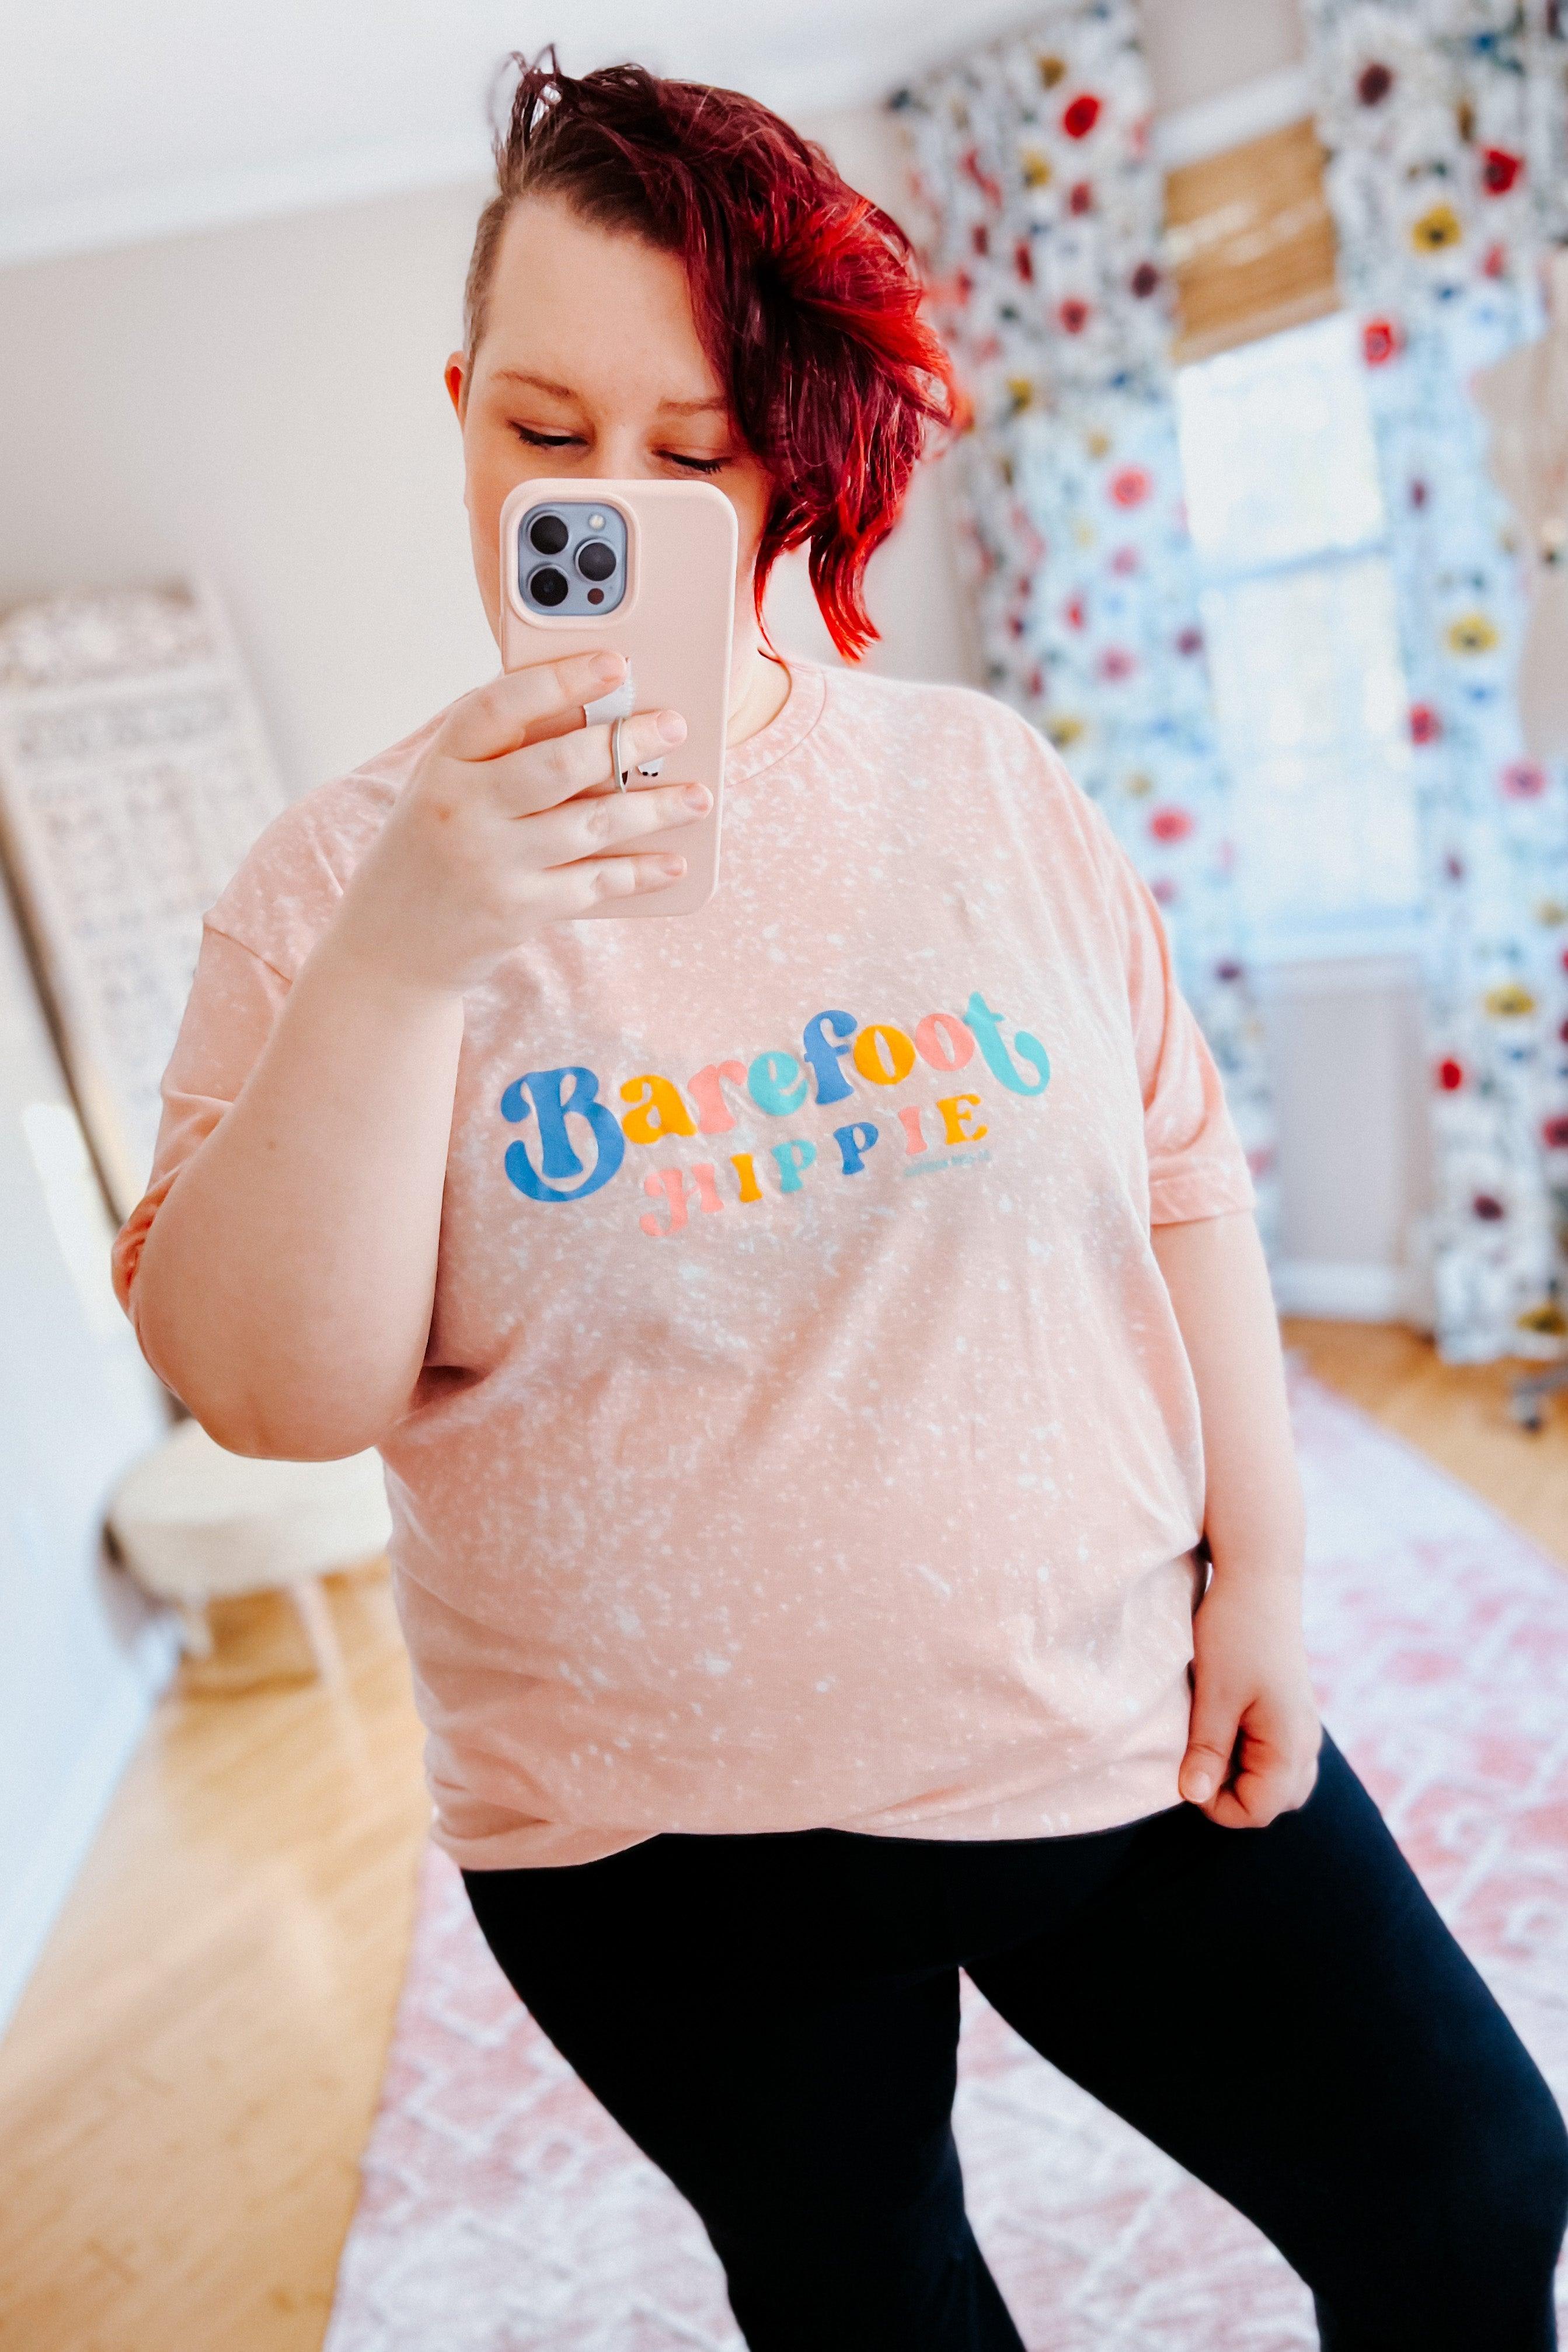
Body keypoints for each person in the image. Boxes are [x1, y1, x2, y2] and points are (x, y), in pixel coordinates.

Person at [112, 54, 1567, 2352]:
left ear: (797, 457)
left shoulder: (984, 781)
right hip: (649, 1845)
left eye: (692, 455)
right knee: (871, 2299)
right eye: (544, 431)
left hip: (1102, 1716)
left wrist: (1267, 1572)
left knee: (1475, 2182)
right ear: (463, 412)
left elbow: (1181, 1177)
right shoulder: (327, 895)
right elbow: (278, 1397)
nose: (605, 503)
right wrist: (405, 954)